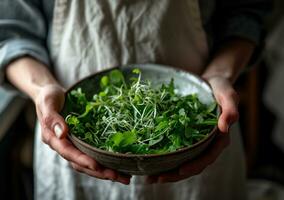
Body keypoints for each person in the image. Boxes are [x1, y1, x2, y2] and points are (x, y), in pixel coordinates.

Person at [0, 0, 270, 199]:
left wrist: (220, 75)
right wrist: (42, 89)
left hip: (200, 134)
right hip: (72, 137)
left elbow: (247, 11)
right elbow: (11, 31)